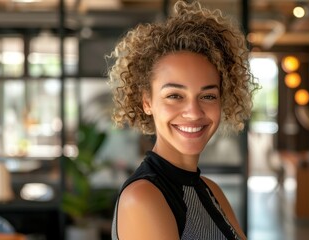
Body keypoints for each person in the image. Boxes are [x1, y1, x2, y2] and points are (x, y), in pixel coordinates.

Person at [108, 1, 258, 239]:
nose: (194, 111)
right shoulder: (144, 197)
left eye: (208, 96)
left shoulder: (211, 191)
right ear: (147, 101)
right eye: (175, 96)